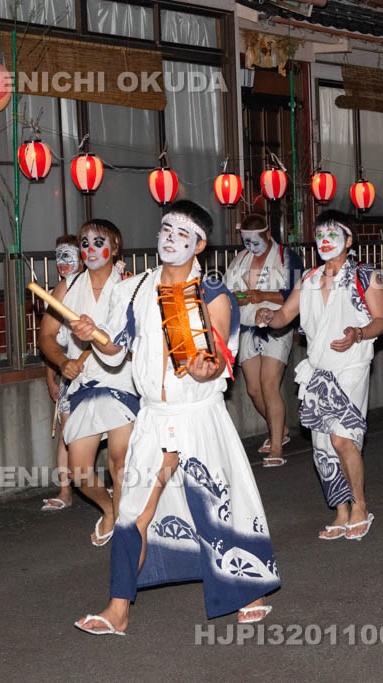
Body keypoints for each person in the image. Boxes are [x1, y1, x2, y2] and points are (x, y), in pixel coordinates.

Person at [71, 200, 279, 635]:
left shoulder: (212, 291)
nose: (170, 238)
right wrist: (94, 337)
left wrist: (207, 369)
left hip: (198, 414)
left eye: (182, 233)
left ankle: (249, 590)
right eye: (166, 229)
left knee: (221, 503)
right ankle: (117, 610)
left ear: (199, 245)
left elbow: (217, 353)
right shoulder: (135, 289)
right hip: (153, 416)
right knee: (132, 509)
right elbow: (116, 348)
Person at [256, 210, 383, 541]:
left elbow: (381, 321)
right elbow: (285, 315)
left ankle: (360, 506)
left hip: (352, 366)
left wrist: (359, 333)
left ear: (349, 240)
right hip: (319, 370)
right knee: (323, 446)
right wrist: (268, 316)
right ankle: (341, 512)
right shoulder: (310, 279)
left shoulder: (365, 276)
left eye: (333, 234)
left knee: (342, 438)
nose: (325, 241)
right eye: (320, 235)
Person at [39, 220, 137, 546]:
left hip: (122, 379)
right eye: (85, 243)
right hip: (84, 384)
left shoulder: (129, 287)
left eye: (99, 242)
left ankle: (123, 526)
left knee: (119, 461)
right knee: (80, 472)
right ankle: (109, 508)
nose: (90, 249)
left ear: (115, 246)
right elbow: (46, 336)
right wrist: (62, 362)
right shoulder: (67, 288)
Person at [223, 214, 303, 467]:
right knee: (254, 390)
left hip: (276, 324)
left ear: (268, 235)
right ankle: (280, 429)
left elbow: (296, 292)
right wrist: (238, 298)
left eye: (255, 242)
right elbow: (228, 292)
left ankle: (276, 445)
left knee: (269, 385)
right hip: (247, 325)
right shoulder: (240, 260)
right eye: (246, 242)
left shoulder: (287, 257)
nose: (251, 247)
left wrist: (260, 295)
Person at [42, 235, 82, 512]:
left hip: (104, 369)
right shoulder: (58, 291)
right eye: (58, 257)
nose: (63, 263)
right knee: (67, 432)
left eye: (69, 256)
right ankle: (65, 490)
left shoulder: (98, 284)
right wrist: (50, 378)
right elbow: (50, 339)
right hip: (69, 371)